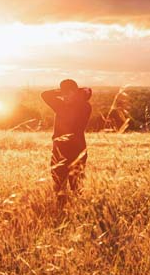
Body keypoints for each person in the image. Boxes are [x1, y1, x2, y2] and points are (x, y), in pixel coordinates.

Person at [41, 79, 92, 210]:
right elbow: (45, 95)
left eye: (68, 93)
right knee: (58, 184)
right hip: (59, 150)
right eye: (63, 94)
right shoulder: (60, 105)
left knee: (76, 186)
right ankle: (61, 211)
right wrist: (63, 92)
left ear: (75, 93)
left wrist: (79, 93)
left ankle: (78, 212)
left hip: (77, 150)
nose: (65, 97)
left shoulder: (84, 106)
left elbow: (82, 105)